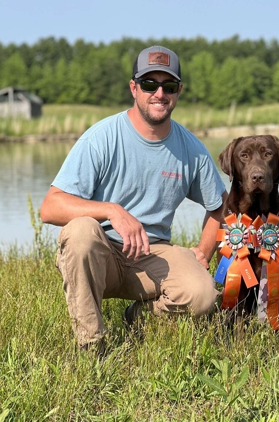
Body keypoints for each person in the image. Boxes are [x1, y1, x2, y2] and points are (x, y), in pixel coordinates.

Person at [40, 45, 227, 351]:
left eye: (168, 86)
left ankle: (141, 318)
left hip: (155, 256)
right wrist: (112, 211)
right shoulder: (100, 138)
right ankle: (92, 347)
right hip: (105, 256)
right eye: (149, 84)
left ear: (178, 91)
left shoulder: (191, 148)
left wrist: (204, 252)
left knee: (203, 293)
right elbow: (50, 207)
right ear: (134, 88)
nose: (159, 94)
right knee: (80, 232)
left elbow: (221, 206)